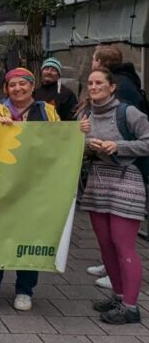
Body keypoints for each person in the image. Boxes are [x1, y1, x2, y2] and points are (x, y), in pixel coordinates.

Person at [0, 68, 59, 314]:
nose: (18, 89)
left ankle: (24, 290)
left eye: (23, 84)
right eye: (12, 85)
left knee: (30, 236)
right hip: (2, 184)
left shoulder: (48, 111)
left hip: (35, 184)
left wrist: (79, 132)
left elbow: (59, 140)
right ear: (6, 89)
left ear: (32, 86)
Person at [78, 68, 149, 324]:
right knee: (105, 245)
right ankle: (119, 297)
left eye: (99, 83)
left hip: (126, 181)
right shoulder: (86, 115)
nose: (94, 87)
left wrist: (119, 146)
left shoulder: (127, 112)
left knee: (122, 244)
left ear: (112, 87)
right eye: (90, 83)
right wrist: (82, 140)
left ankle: (131, 307)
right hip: (98, 182)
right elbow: (78, 152)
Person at [92, 45, 148, 114]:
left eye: (93, 59)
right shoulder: (128, 78)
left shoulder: (114, 84)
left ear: (99, 62)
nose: (93, 87)